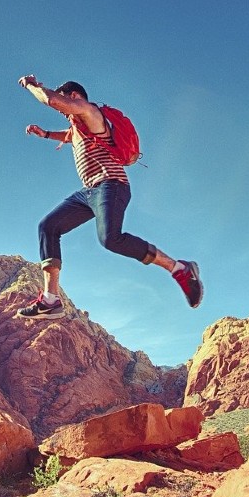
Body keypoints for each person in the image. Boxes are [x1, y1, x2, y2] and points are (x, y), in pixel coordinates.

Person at [15, 74, 202, 320]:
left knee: (111, 239)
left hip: (111, 186)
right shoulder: (78, 126)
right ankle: (51, 301)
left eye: (66, 103)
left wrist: (32, 86)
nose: (64, 113)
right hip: (88, 192)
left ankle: (180, 269)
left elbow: (51, 100)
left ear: (73, 96)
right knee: (48, 226)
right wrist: (46, 134)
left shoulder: (89, 111)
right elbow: (69, 135)